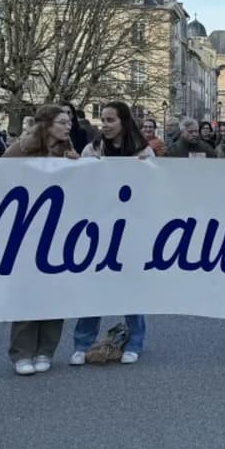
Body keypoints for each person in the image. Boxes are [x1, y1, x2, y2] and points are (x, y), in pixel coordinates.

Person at [72, 102, 153, 366]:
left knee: (131, 287)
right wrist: (81, 166)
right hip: (97, 227)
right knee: (93, 286)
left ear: (123, 122)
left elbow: (153, 189)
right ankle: (82, 343)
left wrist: (145, 169)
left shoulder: (143, 151)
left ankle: (135, 342)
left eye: (110, 120)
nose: (104, 125)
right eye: (103, 120)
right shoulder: (92, 149)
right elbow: (79, 184)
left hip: (130, 228)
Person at [5, 105, 79, 376]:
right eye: (62, 122)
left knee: (54, 291)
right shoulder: (20, 150)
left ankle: (46, 350)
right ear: (46, 124)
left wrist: (77, 165)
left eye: (69, 121)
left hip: (60, 230)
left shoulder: (69, 150)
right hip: (26, 228)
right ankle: (22, 352)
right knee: (27, 291)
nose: (67, 126)